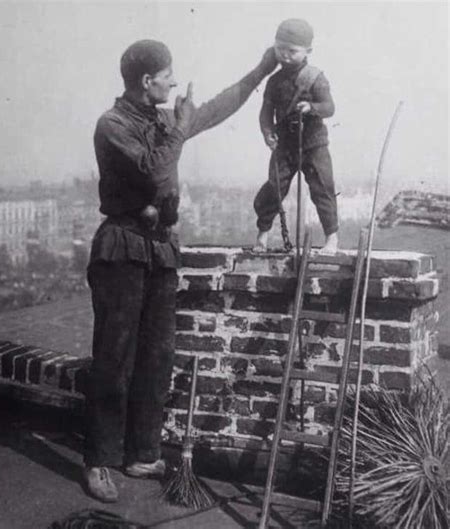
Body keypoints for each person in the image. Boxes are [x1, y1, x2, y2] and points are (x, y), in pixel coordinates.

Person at [83, 39, 277, 503]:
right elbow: (154, 170)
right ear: (147, 81)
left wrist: (259, 72)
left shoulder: (161, 119)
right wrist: (181, 127)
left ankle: (142, 452)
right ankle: (98, 460)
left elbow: (212, 110)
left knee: (156, 356)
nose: (174, 80)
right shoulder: (111, 125)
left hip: (160, 249)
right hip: (123, 247)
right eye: (168, 75)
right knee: (114, 359)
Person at [253, 18, 339, 254]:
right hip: (285, 145)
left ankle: (332, 238)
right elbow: (265, 113)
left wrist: (312, 108)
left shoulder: (315, 77)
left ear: (307, 51)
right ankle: (262, 236)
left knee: (323, 188)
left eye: (292, 51)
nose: (285, 55)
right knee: (274, 188)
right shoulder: (273, 81)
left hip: (313, 144)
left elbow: (329, 107)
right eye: (280, 49)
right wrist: (267, 133)